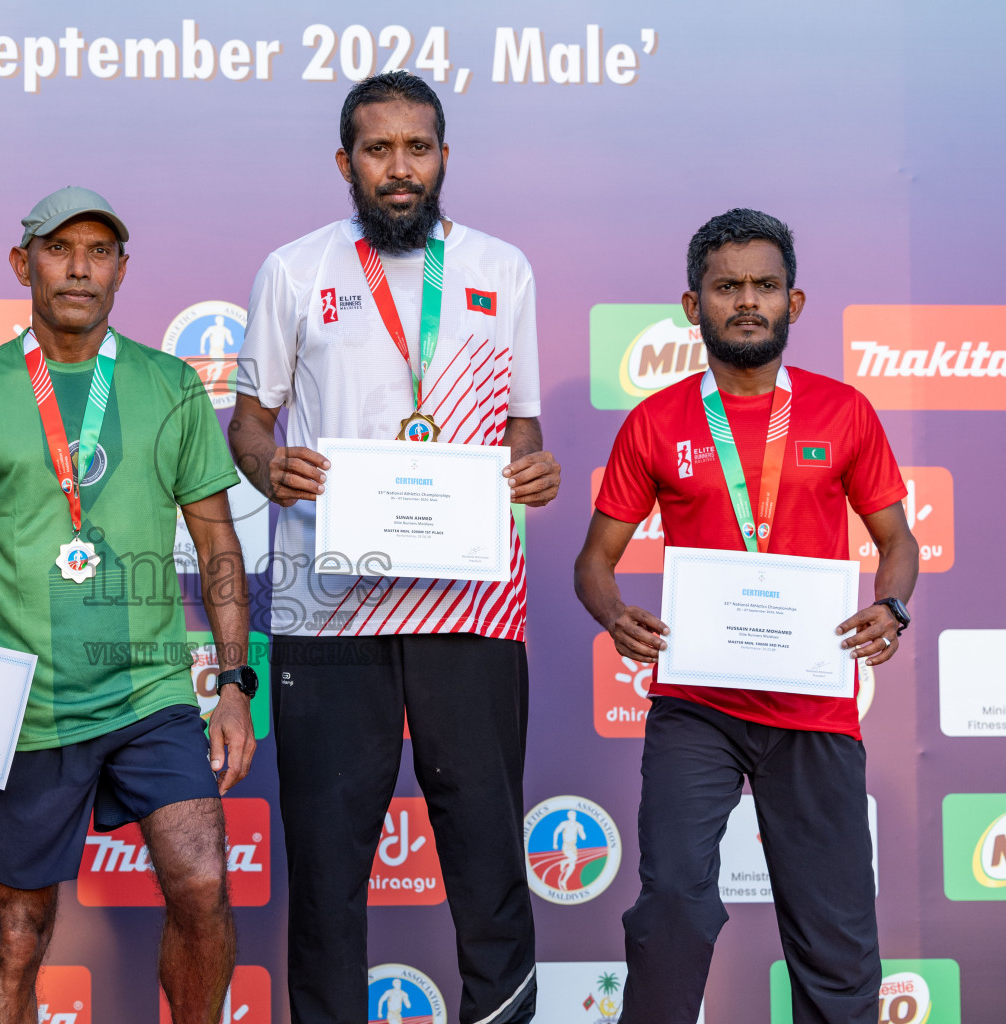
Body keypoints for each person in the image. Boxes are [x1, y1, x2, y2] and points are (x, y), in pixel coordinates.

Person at [229, 71, 560, 1024]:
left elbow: (521, 435)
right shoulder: (295, 270)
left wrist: (531, 473)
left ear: (445, 157)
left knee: (488, 848)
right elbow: (250, 427)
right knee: (328, 864)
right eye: (379, 149)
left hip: (472, 605)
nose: (400, 167)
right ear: (346, 164)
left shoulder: (504, 269)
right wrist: (271, 467)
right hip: (329, 606)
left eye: (418, 147)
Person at [574, 209, 919, 1023]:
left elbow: (898, 541)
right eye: (726, 286)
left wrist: (892, 607)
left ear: (795, 303)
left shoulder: (844, 412)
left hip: (815, 703)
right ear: (692, 306)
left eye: (765, 285)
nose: (747, 301)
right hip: (697, 704)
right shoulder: (656, 421)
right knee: (672, 911)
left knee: (835, 936)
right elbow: (594, 561)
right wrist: (615, 615)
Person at [0, 187, 258, 1024]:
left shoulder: (170, 382)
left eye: (99, 250)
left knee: (204, 884)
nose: (79, 266)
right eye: (58, 247)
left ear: (121, 270)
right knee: (15, 933)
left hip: (151, 693)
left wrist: (232, 684)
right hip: (27, 703)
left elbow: (218, 540)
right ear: (22, 263)